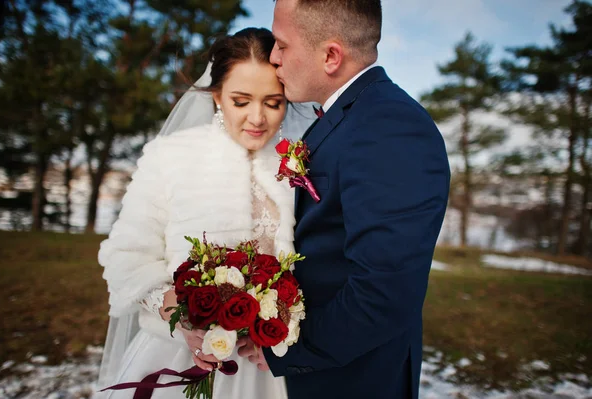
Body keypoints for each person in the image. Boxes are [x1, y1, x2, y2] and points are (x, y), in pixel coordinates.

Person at [237, 1, 451, 398]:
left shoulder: (389, 126)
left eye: (282, 45)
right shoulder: (351, 116)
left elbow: (384, 293)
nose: (273, 56)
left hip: (354, 379)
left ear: (331, 56)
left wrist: (288, 348)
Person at [94, 27, 312, 399]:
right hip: (178, 359)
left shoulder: (297, 166)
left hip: (269, 370)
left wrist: (283, 326)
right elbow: (125, 257)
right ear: (216, 96)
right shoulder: (171, 157)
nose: (257, 118)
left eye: (272, 103)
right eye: (240, 101)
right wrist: (179, 318)